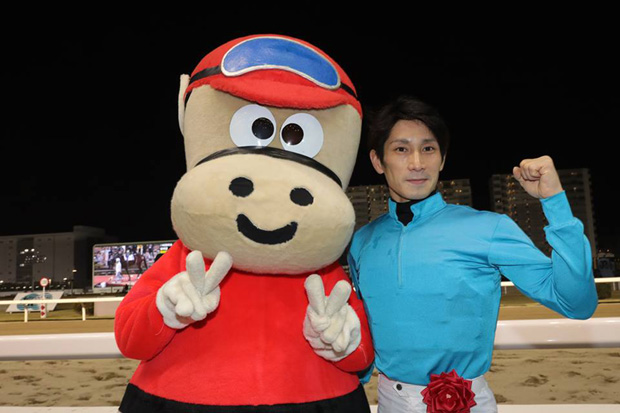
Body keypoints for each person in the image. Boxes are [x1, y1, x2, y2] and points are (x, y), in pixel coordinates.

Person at [347, 95, 598, 412]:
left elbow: (576, 303)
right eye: (401, 149)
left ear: (442, 158)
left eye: (428, 149)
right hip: (388, 402)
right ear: (377, 161)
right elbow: (362, 332)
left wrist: (555, 202)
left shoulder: (488, 228)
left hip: (466, 402)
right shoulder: (362, 241)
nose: (417, 163)